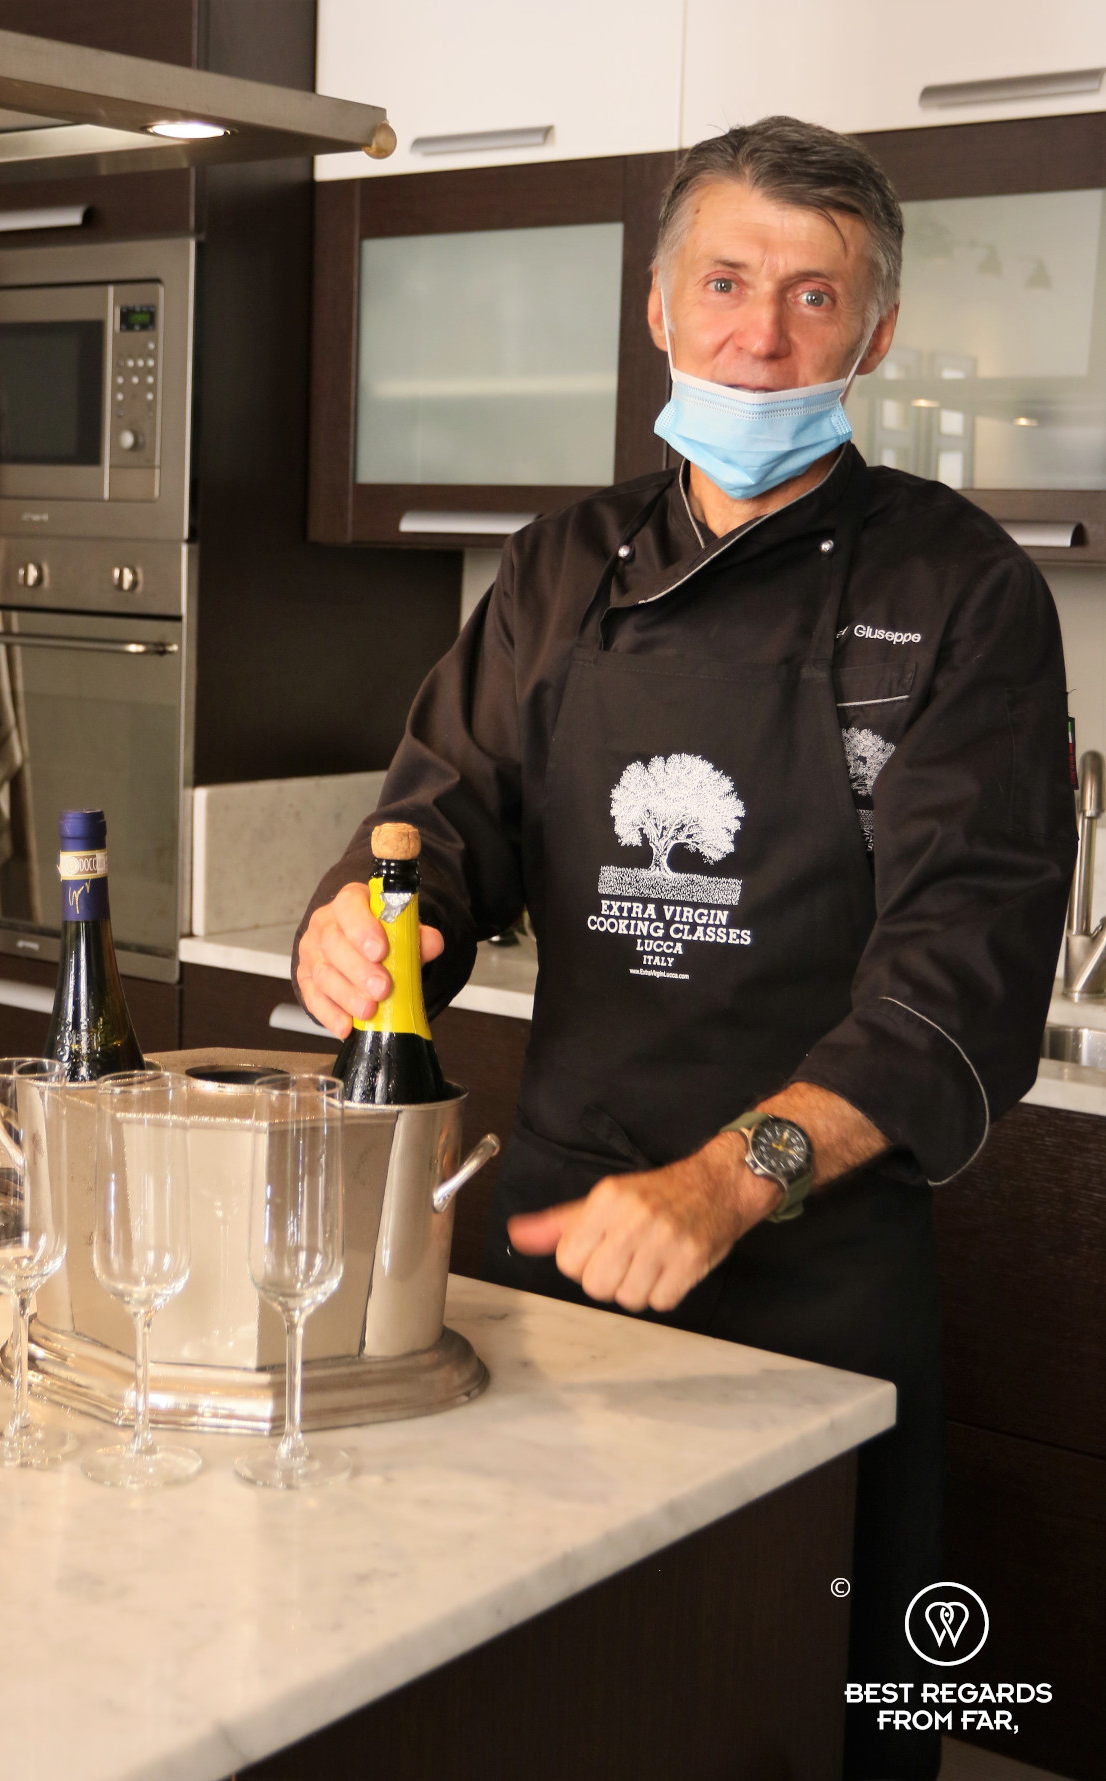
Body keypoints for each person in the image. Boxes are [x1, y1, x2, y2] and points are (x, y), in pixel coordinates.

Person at [294, 116, 1075, 1781]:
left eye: (813, 296)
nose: (761, 331)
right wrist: (366, 927)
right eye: (725, 281)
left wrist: (732, 1178)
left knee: (809, 1717)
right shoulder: (558, 571)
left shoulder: (961, 589)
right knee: (548, 1705)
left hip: (815, 1269)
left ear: (872, 338)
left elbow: (965, 973)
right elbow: (442, 819)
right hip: (557, 1253)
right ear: (659, 306)